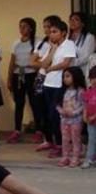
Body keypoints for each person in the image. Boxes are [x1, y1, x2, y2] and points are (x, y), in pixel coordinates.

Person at [32, 19, 77, 159]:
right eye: (50, 32)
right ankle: (51, 141)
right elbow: (43, 64)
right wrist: (52, 50)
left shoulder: (69, 44)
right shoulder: (53, 46)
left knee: (56, 115)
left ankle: (61, 145)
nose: (51, 35)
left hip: (59, 84)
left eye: (54, 32)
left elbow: (66, 63)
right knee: (46, 115)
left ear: (63, 33)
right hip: (48, 83)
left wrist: (51, 68)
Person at [6, 18, 40, 143]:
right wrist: (9, 78)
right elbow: (12, 62)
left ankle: (38, 130)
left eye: (25, 26)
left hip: (32, 75)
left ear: (31, 28)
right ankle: (17, 130)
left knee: (34, 103)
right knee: (19, 104)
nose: (22, 29)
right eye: (20, 26)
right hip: (18, 75)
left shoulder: (37, 42)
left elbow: (41, 59)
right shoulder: (16, 43)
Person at [57, 67, 87, 167]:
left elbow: (83, 105)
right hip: (64, 120)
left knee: (75, 139)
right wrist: (61, 111)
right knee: (65, 139)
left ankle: (76, 157)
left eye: (68, 76)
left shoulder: (80, 91)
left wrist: (74, 113)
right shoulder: (63, 91)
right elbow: (57, 104)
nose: (65, 79)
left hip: (76, 120)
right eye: (64, 77)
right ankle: (65, 156)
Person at [83, 67, 96, 169]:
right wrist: (85, 116)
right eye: (92, 78)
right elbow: (86, 105)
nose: (94, 80)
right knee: (91, 140)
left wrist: (94, 116)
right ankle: (89, 159)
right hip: (90, 122)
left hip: (93, 119)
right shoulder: (88, 91)